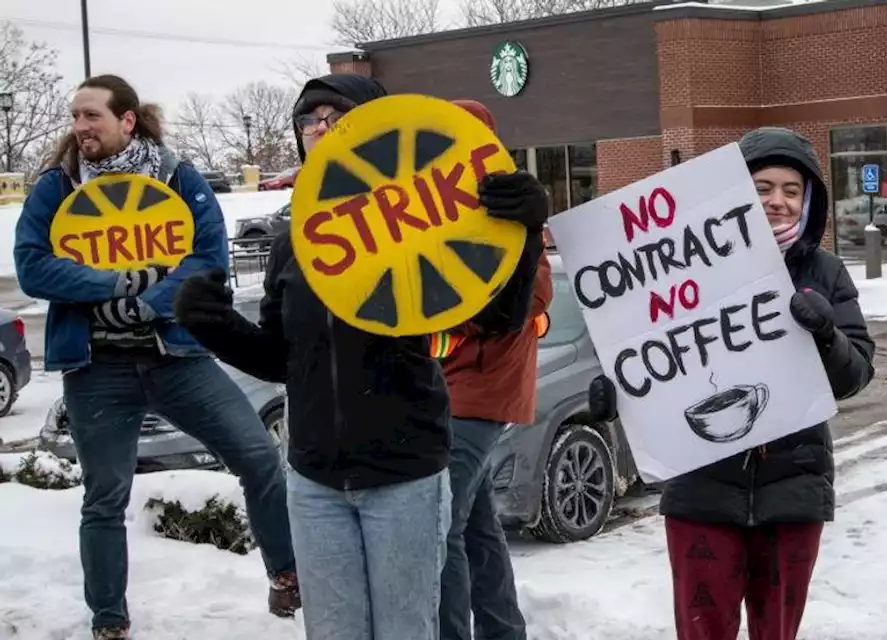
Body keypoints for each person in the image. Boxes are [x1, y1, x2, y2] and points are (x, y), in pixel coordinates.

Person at [171, 75, 550, 640]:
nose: (319, 129)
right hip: (313, 480)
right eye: (307, 120)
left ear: (376, 129)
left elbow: (496, 318)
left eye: (334, 116)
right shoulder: (291, 243)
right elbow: (280, 359)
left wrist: (523, 233)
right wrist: (215, 325)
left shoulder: (422, 226)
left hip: (404, 477)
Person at [12, 74, 297, 640]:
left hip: (179, 358)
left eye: (91, 116)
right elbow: (32, 266)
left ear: (127, 120)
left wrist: (150, 303)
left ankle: (287, 578)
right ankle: (109, 623)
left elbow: (208, 259)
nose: (80, 128)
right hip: (97, 370)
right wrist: (115, 283)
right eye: (75, 117)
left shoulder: (178, 177)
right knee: (104, 500)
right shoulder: (58, 187)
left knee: (259, 460)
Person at [588, 126, 876, 640]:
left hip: (794, 491)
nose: (777, 202)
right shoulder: (678, 267)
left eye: (791, 190)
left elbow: (855, 376)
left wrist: (827, 333)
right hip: (700, 489)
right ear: (738, 193)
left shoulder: (825, 272)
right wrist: (617, 395)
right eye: (762, 188)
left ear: (809, 200)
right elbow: (647, 353)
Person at [437, 98, 547, 640]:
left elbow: (539, 292)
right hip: (445, 385)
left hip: (484, 388)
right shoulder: (432, 210)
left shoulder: (506, 200)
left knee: (441, 527)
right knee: (476, 525)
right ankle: (505, 631)